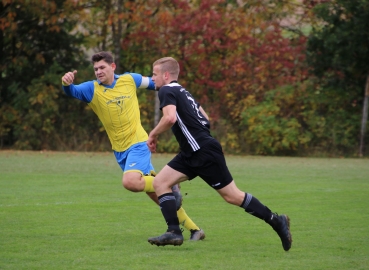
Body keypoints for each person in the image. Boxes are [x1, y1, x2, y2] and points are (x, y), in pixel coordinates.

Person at [146, 57, 292, 251]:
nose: (152, 78)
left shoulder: (166, 90)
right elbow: (205, 118)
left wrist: (153, 134)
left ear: (165, 75)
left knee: (232, 196)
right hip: (192, 152)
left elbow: (170, 117)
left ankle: (277, 220)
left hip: (203, 151)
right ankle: (174, 232)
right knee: (160, 182)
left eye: (154, 74)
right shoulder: (184, 92)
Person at [61, 51, 205, 241]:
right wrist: (66, 83)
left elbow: (160, 84)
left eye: (102, 67)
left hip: (138, 143)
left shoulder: (130, 79)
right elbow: (72, 91)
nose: (98, 71)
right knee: (157, 194)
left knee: (130, 182)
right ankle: (195, 230)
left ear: (113, 67)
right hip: (120, 151)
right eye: (95, 69)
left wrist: (185, 99)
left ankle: (169, 183)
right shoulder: (91, 89)